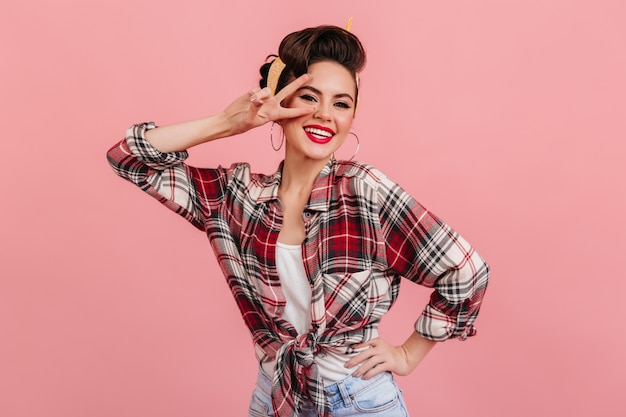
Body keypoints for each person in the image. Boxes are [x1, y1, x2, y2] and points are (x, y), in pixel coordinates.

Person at [107, 23, 489, 417]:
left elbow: (467, 271)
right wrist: (229, 122)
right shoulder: (237, 198)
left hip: (357, 400)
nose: (325, 115)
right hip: (274, 395)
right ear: (281, 102)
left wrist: (409, 354)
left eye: (341, 104)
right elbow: (129, 158)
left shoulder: (364, 190)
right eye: (310, 98)